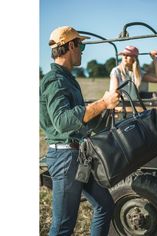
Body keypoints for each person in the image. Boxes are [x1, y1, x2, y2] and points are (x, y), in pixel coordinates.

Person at [40, 26, 120, 236]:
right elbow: (63, 122)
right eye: (81, 45)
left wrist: (106, 110)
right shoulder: (54, 80)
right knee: (63, 226)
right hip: (65, 158)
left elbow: (80, 122)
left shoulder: (67, 79)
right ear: (70, 46)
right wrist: (102, 103)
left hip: (78, 156)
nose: (83, 50)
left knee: (105, 206)